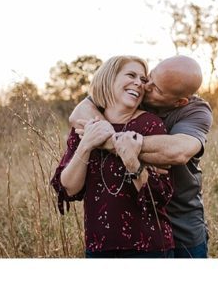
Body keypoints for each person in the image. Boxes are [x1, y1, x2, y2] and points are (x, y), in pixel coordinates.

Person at [68, 55, 213, 258]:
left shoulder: (196, 111)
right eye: (149, 78)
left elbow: (178, 151)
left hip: (181, 222)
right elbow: (80, 112)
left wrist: (109, 141)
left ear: (180, 101)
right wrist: (121, 144)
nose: (146, 86)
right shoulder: (134, 95)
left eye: (157, 89)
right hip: (137, 222)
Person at [51, 55, 175, 258]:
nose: (138, 82)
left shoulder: (150, 125)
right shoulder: (85, 125)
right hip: (99, 246)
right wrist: (86, 145)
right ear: (109, 79)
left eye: (143, 79)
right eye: (131, 75)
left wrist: (132, 161)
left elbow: (161, 196)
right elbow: (69, 189)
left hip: (149, 247)